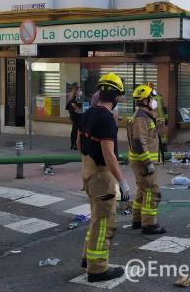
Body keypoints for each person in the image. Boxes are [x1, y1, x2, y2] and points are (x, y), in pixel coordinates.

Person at [77, 73, 131, 282]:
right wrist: (123, 182)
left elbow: (80, 143)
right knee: (104, 223)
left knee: (95, 218)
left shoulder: (88, 113)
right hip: (101, 176)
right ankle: (98, 268)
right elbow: (109, 154)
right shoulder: (107, 118)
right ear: (116, 96)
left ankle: (87, 259)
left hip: (88, 171)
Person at [128, 84, 166, 235]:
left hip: (142, 161)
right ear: (145, 100)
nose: (153, 101)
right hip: (144, 162)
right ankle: (149, 225)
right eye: (151, 98)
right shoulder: (141, 118)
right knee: (152, 192)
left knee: (142, 191)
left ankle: (137, 220)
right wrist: (148, 162)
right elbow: (138, 141)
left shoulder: (145, 115)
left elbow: (151, 135)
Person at [146, 82, 168, 163]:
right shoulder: (147, 97)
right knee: (154, 137)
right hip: (153, 120)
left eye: (151, 87)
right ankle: (156, 154)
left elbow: (164, 108)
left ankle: (164, 153)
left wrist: (166, 118)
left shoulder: (159, 96)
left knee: (163, 137)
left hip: (160, 120)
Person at [67, 83, 83, 150]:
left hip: (76, 115)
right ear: (76, 91)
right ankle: (74, 144)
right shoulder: (73, 98)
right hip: (75, 115)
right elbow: (74, 106)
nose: (80, 92)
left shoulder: (77, 97)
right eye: (79, 90)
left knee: (75, 129)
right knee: (75, 129)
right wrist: (78, 108)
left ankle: (74, 144)